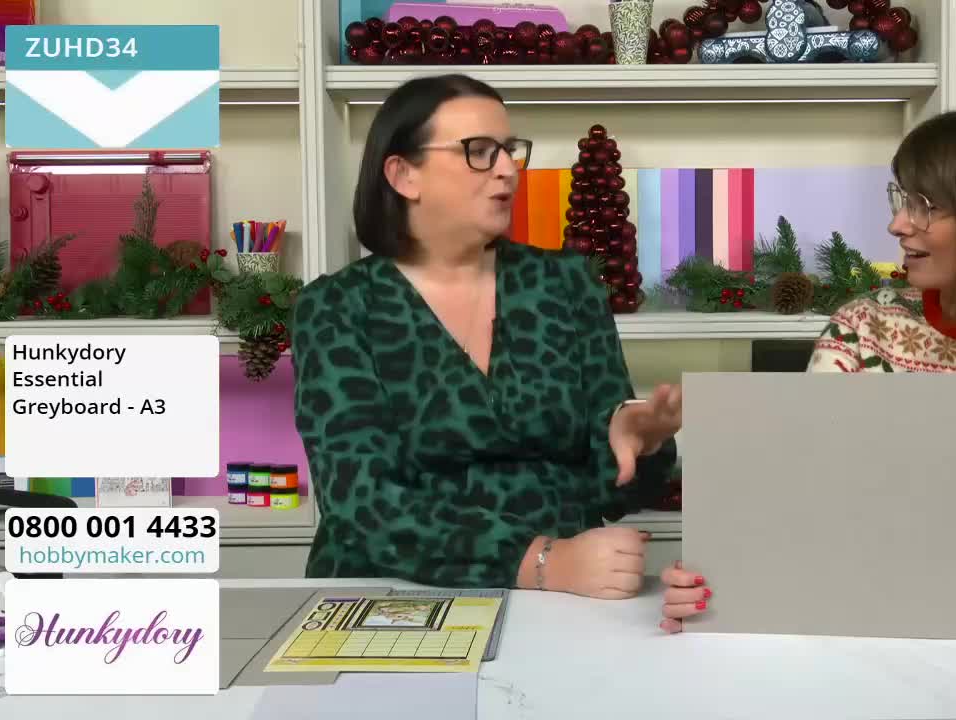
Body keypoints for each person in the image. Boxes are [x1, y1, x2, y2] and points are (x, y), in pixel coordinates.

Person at [659, 103, 956, 633]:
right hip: (860, 622)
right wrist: (723, 578)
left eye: (925, 206)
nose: (897, 224)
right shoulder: (863, 328)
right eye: (901, 200)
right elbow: (801, 505)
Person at [291, 74, 681, 598]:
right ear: (404, 174)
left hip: (558, 599)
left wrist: (641, 443)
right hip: (388, 594)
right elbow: (362, 501)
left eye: (510, 150)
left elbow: (603, 493)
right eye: (479, 151)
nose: (507, 170)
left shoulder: (565, 284)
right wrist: (539, 561)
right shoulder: (336, 307)